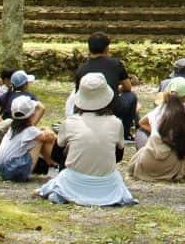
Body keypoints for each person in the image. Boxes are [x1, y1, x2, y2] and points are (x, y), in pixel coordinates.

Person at [36, 72, 136, 206]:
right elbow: (118, 157)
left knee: (62, 178)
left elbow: (56, 155)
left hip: (74, 179)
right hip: (106, 182)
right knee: (117, 179)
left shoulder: (70, 123)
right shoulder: (116, 123)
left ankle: (64, 193)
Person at [128, 77, 185, 181]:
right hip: (171, 165)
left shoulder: (159, 108)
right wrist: (183, 129)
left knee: (143, 138)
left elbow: (141, 123)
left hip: (148, 161)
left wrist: (156, 129)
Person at [74, 32, 139, 140]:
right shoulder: (116, 64)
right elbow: (128, 87)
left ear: (89, 49)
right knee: (131, 96)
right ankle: (124, 132)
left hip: (85, 107)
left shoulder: (81, 68)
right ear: (106, 48)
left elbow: (78, 92)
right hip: (111, 107)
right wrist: (117, 88)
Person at [0, 96, 57, 182]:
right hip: (14, 172)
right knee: (41, 139)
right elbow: (50, 137)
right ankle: (53, 166)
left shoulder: (12, 128)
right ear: (32, 114)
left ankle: (52, 167)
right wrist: (47, 129)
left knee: (40, 136)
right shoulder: (30, 131)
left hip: (1, 170)